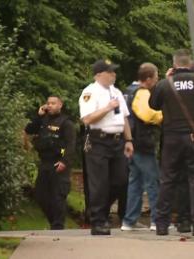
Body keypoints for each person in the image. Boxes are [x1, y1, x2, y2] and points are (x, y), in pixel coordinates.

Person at [149, 49, 194, 236]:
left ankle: (162, 224)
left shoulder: (166, 84)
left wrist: (162, 81)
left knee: (167, 179)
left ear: (174, 65)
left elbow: (153, 105)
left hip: (171, 138)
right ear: (190, 64)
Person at [79, 59, 134, 235]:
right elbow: (87, 119)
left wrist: (129, 140)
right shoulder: (90, 92)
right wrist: (107, 108)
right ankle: (97, 221)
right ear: (99, 75)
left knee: (121, 180)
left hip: (117, 141)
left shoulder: (116, 92)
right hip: (98, 141)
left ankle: (100, 211)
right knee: (99, 182)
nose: (114, 75)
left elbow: (124, 117)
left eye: (114, 72)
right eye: (110, 72)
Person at [120, 63, 162, 232]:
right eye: (156, 77)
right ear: (149, 79)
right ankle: (157, 220)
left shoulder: (127, 91)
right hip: (142, 142)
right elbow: (147, 114)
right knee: (153, 181)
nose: (157, 80)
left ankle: (129, 221)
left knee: (135, 182)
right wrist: (163, 115)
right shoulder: (142, 92)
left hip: (130, 141)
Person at [25, 96, 76, 230]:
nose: (50, 105)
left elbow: (71, 145)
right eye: (48, 103)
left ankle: (58, 226)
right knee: (40, 195)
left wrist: (64, 161)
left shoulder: (66, 123)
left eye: (53, 103)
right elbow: (29, 129)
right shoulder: (43, 120)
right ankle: (54, 222)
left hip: (59, 162)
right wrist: (38, 115)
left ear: (60, 105)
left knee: (58, 195)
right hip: (45, 162)